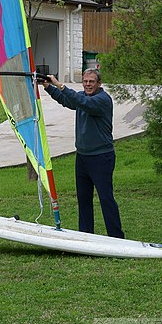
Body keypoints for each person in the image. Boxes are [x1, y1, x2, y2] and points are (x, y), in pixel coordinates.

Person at [42, 69, 124, 238]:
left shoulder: (102, 100)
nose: (87, 84)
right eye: (85, 81)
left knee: (106, 198)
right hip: (82, 157)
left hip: (102, 157)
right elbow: (67, 100)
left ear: (99, 84)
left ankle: (116, 237)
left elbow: (79, 101)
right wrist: (48, 87)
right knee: (84, 199)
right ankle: (86, 235)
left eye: (91, 82)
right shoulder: (82, 97)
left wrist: (60, 84)